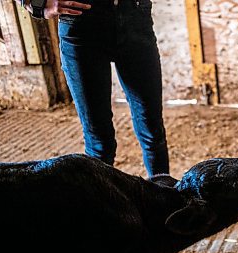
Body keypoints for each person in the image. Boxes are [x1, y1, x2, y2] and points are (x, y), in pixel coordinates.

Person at [17, 0, 170, 176]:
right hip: (81, 25)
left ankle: (162, 198)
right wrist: (35, 3)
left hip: (135, 17)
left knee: (152, 131)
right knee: (99, 142)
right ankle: (102, 201)